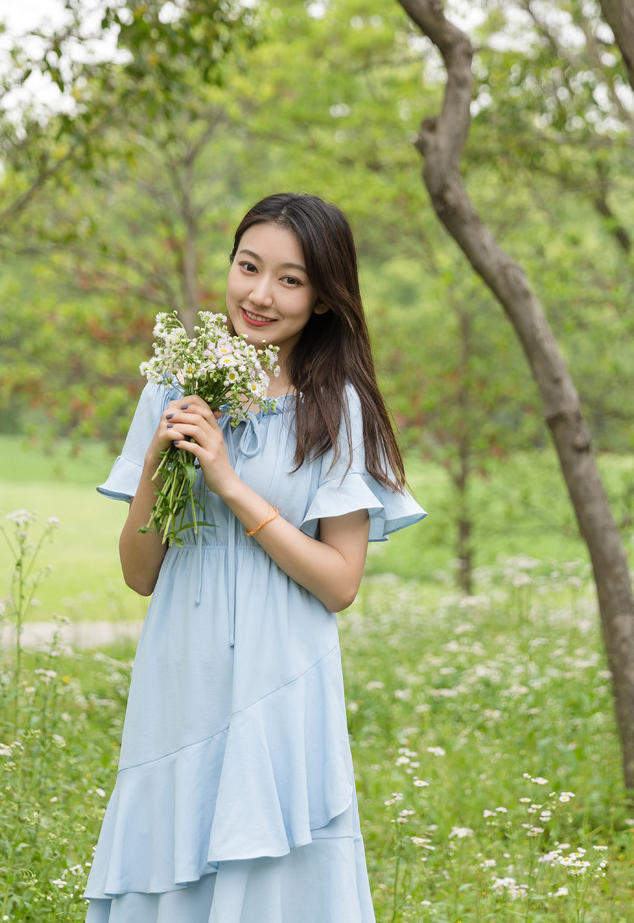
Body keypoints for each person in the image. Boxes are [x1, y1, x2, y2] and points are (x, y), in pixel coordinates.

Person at [84, 193, 425, 923]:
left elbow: (340, 582)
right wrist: (158, 455)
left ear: (325, 297)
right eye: (248, 266)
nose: (260, 294)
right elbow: (140, 572)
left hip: (282, 678)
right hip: (183, 670)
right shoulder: (173, 388)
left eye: (291, 279)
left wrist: (230, 485)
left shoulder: (337, 408)